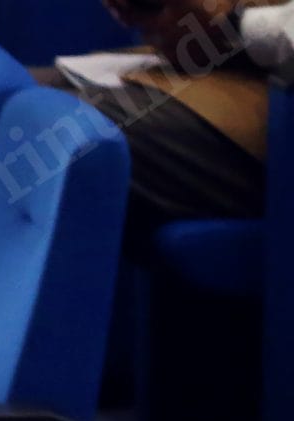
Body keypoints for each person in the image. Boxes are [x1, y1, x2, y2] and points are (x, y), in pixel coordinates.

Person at [41, 0, 294, 246]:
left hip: (276, 109)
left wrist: (231, 25)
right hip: (226, 64)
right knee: (14, 92)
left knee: (45, 126)